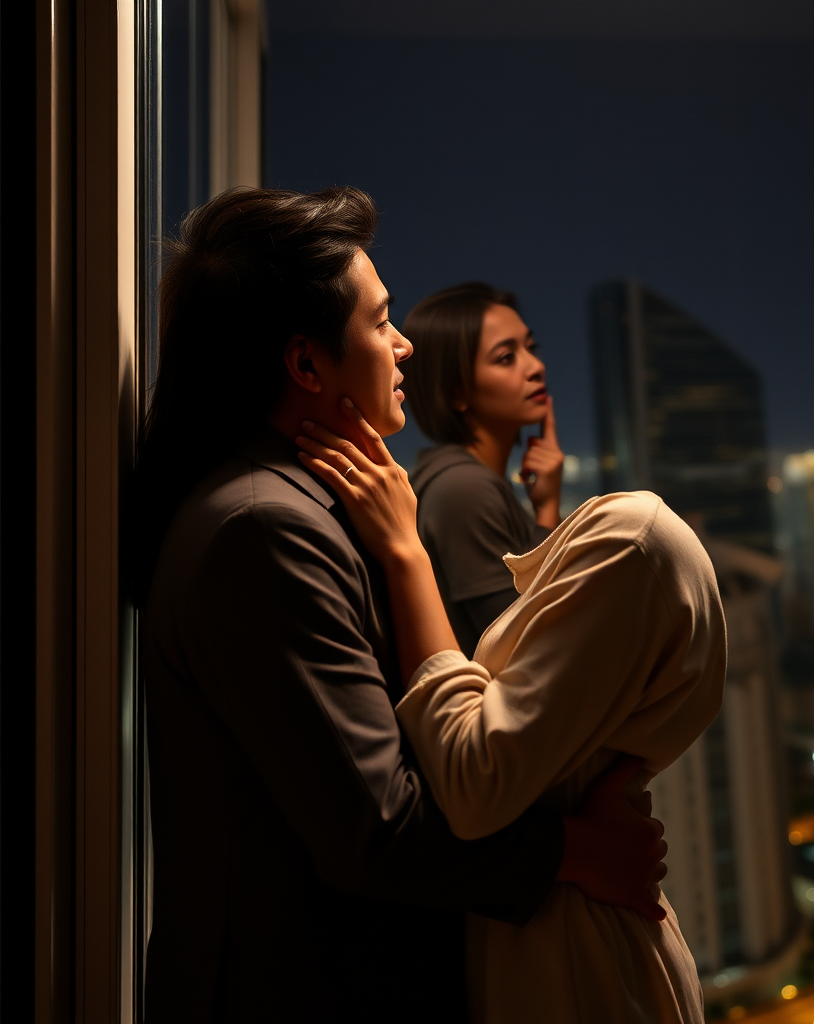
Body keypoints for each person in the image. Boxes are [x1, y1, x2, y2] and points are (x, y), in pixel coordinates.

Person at [132, 186, 668, 1024]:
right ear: (307, 365)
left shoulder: (297, 504)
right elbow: (375, 825)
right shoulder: (262, 531)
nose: (403, 344)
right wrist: (576, 851)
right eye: (381, 323)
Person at [297, 407, 728, 1023]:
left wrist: (407, 553)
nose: (403, 345)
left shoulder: (634, 544)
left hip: (578, 962)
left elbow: (477, 777)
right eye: (383, 318)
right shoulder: (606, 538)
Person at [402, 283, 565, 654]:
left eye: (531, 348)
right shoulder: (463, 489)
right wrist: (547, 510)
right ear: (456, 393)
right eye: (507, 357)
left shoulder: (476, 481)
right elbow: (525, 651)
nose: (536, 367)